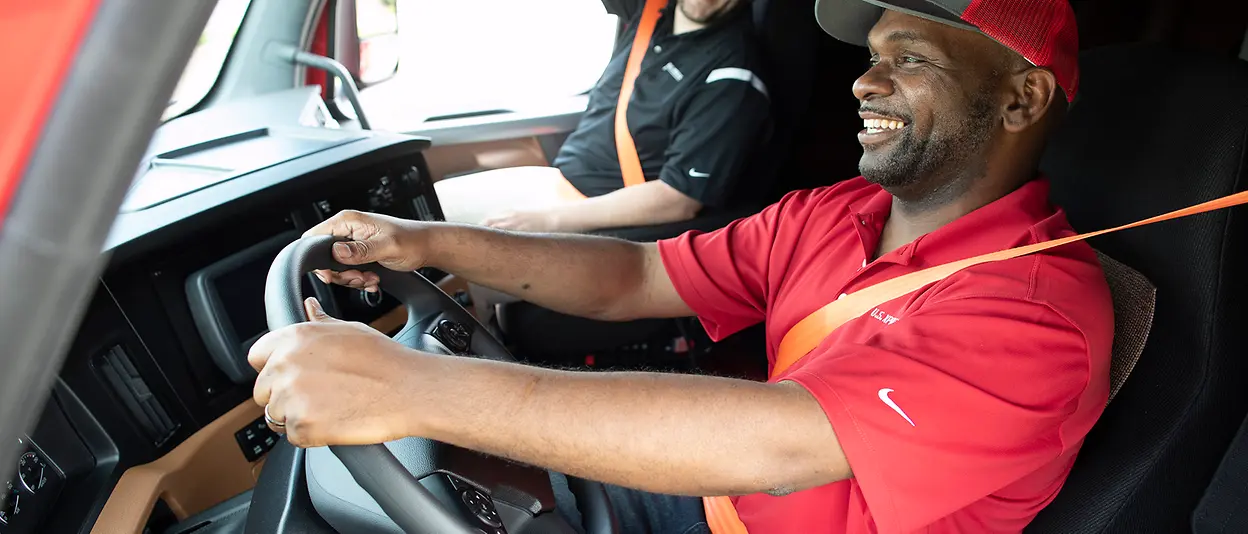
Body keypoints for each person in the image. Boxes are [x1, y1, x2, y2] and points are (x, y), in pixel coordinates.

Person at [249, 0, 1113, 532]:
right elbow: (635, 278)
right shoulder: (835, 213)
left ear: (1021, 97)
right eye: (875, 53)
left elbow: (778, 442)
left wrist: (414, 388)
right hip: (710, 504)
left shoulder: (1039, 315)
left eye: (912, 59)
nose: (865, 82)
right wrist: (431, 245)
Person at [433, 0, 771, 234]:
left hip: (597, 217)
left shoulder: (731, 75)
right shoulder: (651, 15)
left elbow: (677, 201)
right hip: (558, 184)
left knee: (423, 236)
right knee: (420, 207)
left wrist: (548, 220)